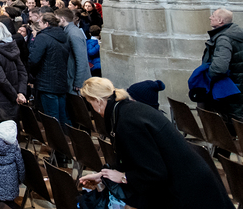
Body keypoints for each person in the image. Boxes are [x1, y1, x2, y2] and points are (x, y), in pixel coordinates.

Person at [78, 77, 234, 209]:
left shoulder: (127, 122)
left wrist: (124, 177)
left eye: (90, 103)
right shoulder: (124, 111)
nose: (93, 109)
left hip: (190, 191)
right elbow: (136, 159)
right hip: (183, 183)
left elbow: (154, 173)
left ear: (98, 101)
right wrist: (104, 176)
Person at [28, 12, 72, 125]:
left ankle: (56, 137)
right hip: (61, 81)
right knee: (63, 115)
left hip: (46, 82)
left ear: (46, 24)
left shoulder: (43, 37)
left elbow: (34, 60)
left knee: (51, 118)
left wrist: (33, 75)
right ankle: (67, 135)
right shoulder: (64, 36)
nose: (39, 24)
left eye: (40, 22)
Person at [202, 8, 243, 120]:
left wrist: (205, 78)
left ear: (220, 20)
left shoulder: (224, 38)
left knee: (230, 126)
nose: (210, 17)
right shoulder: (236, 34)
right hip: (237, 91)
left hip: (229, 95)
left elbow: (219, 68)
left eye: (213, 16)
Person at [0, 21, 28, 120]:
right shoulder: (12, 48)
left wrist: (16, 96)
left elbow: (1, 79)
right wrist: (20, 92)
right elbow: (22, 72)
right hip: (12, 96)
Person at [57, 8, 91, 95]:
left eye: (57, 18)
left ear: (62, 19)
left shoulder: (73, 34)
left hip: (76, 81)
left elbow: (81, 59)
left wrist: (79, 82)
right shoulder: (68, 31)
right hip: (72, 77)